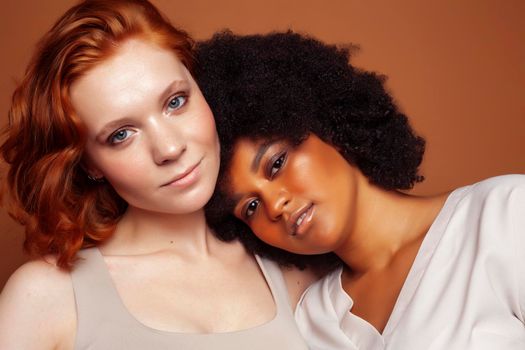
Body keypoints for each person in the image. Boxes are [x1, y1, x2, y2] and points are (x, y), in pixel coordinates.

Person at [0, 2, 317, 349]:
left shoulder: (291, 270)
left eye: (176, 102)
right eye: (121, 134)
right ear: (90, 163)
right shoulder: (46, 296)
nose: (168, 148)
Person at [197, 31, 525, 349]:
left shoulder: (504, 216)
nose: (275, 204)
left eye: (277, 163)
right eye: (250, 207)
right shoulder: (311, 320)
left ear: (327, 125)